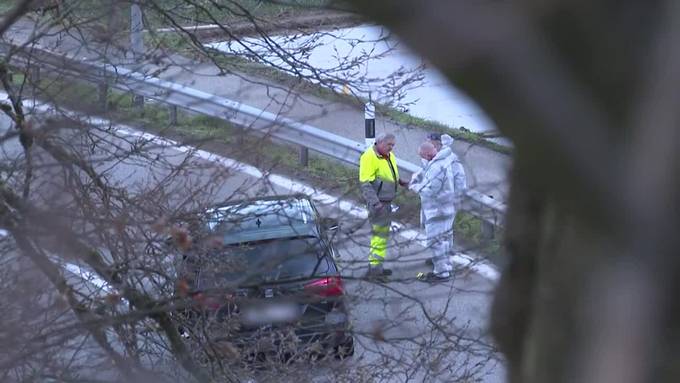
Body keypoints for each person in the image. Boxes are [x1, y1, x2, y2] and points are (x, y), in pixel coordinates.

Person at [410, 134, 467, 282]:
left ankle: (441, 271)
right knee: (445, 236)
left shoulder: (442, 162)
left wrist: (415, 186)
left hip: (439, 207)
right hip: (446, 205)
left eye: (428, 142)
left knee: (436, 240)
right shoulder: (443, 158)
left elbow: (433, 187)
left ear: (435, 144)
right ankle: (443, 263)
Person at [359, 133, 408, 280]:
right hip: (379, 204)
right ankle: (375, 272)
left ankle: (376, 267)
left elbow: (389, 173)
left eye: (393, 145)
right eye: (389, 145)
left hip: (386, 202)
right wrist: (376, 204)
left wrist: (399, 181)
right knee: (379, 238)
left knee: (381, 237)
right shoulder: (369, 157)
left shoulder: (387, 155)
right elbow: (365, 184)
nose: (391, 148)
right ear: (380, 142)